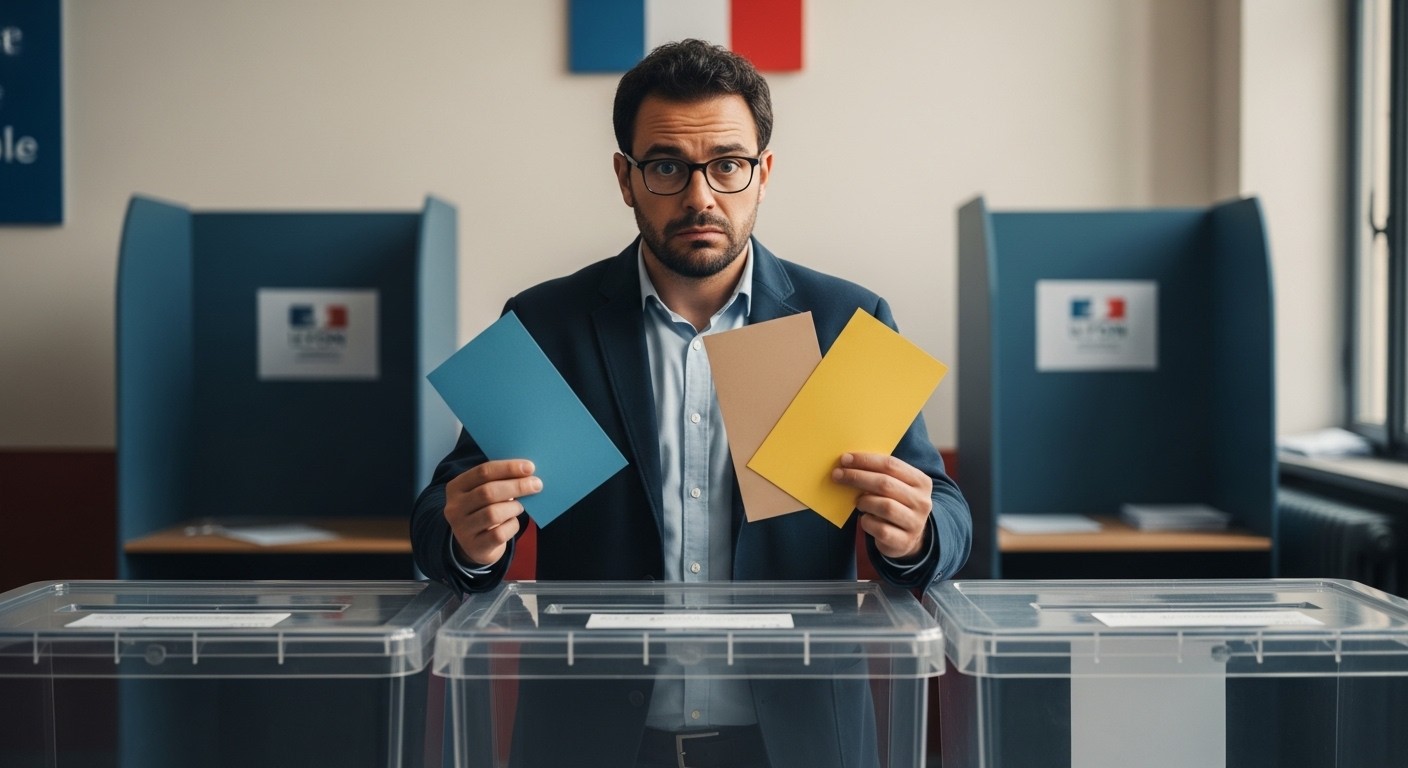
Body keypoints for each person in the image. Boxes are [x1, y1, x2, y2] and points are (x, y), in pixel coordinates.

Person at [412, 38, 970, 768]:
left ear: (764, 174)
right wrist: (469, 541)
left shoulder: (845, 324)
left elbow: (947, 513)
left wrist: (917, 534)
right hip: (593, 744)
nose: (701, 197)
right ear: (626, 177)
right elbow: (439, 518)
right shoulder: (547, 325)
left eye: (728, 165)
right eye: (668, 166)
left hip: (799, 742)